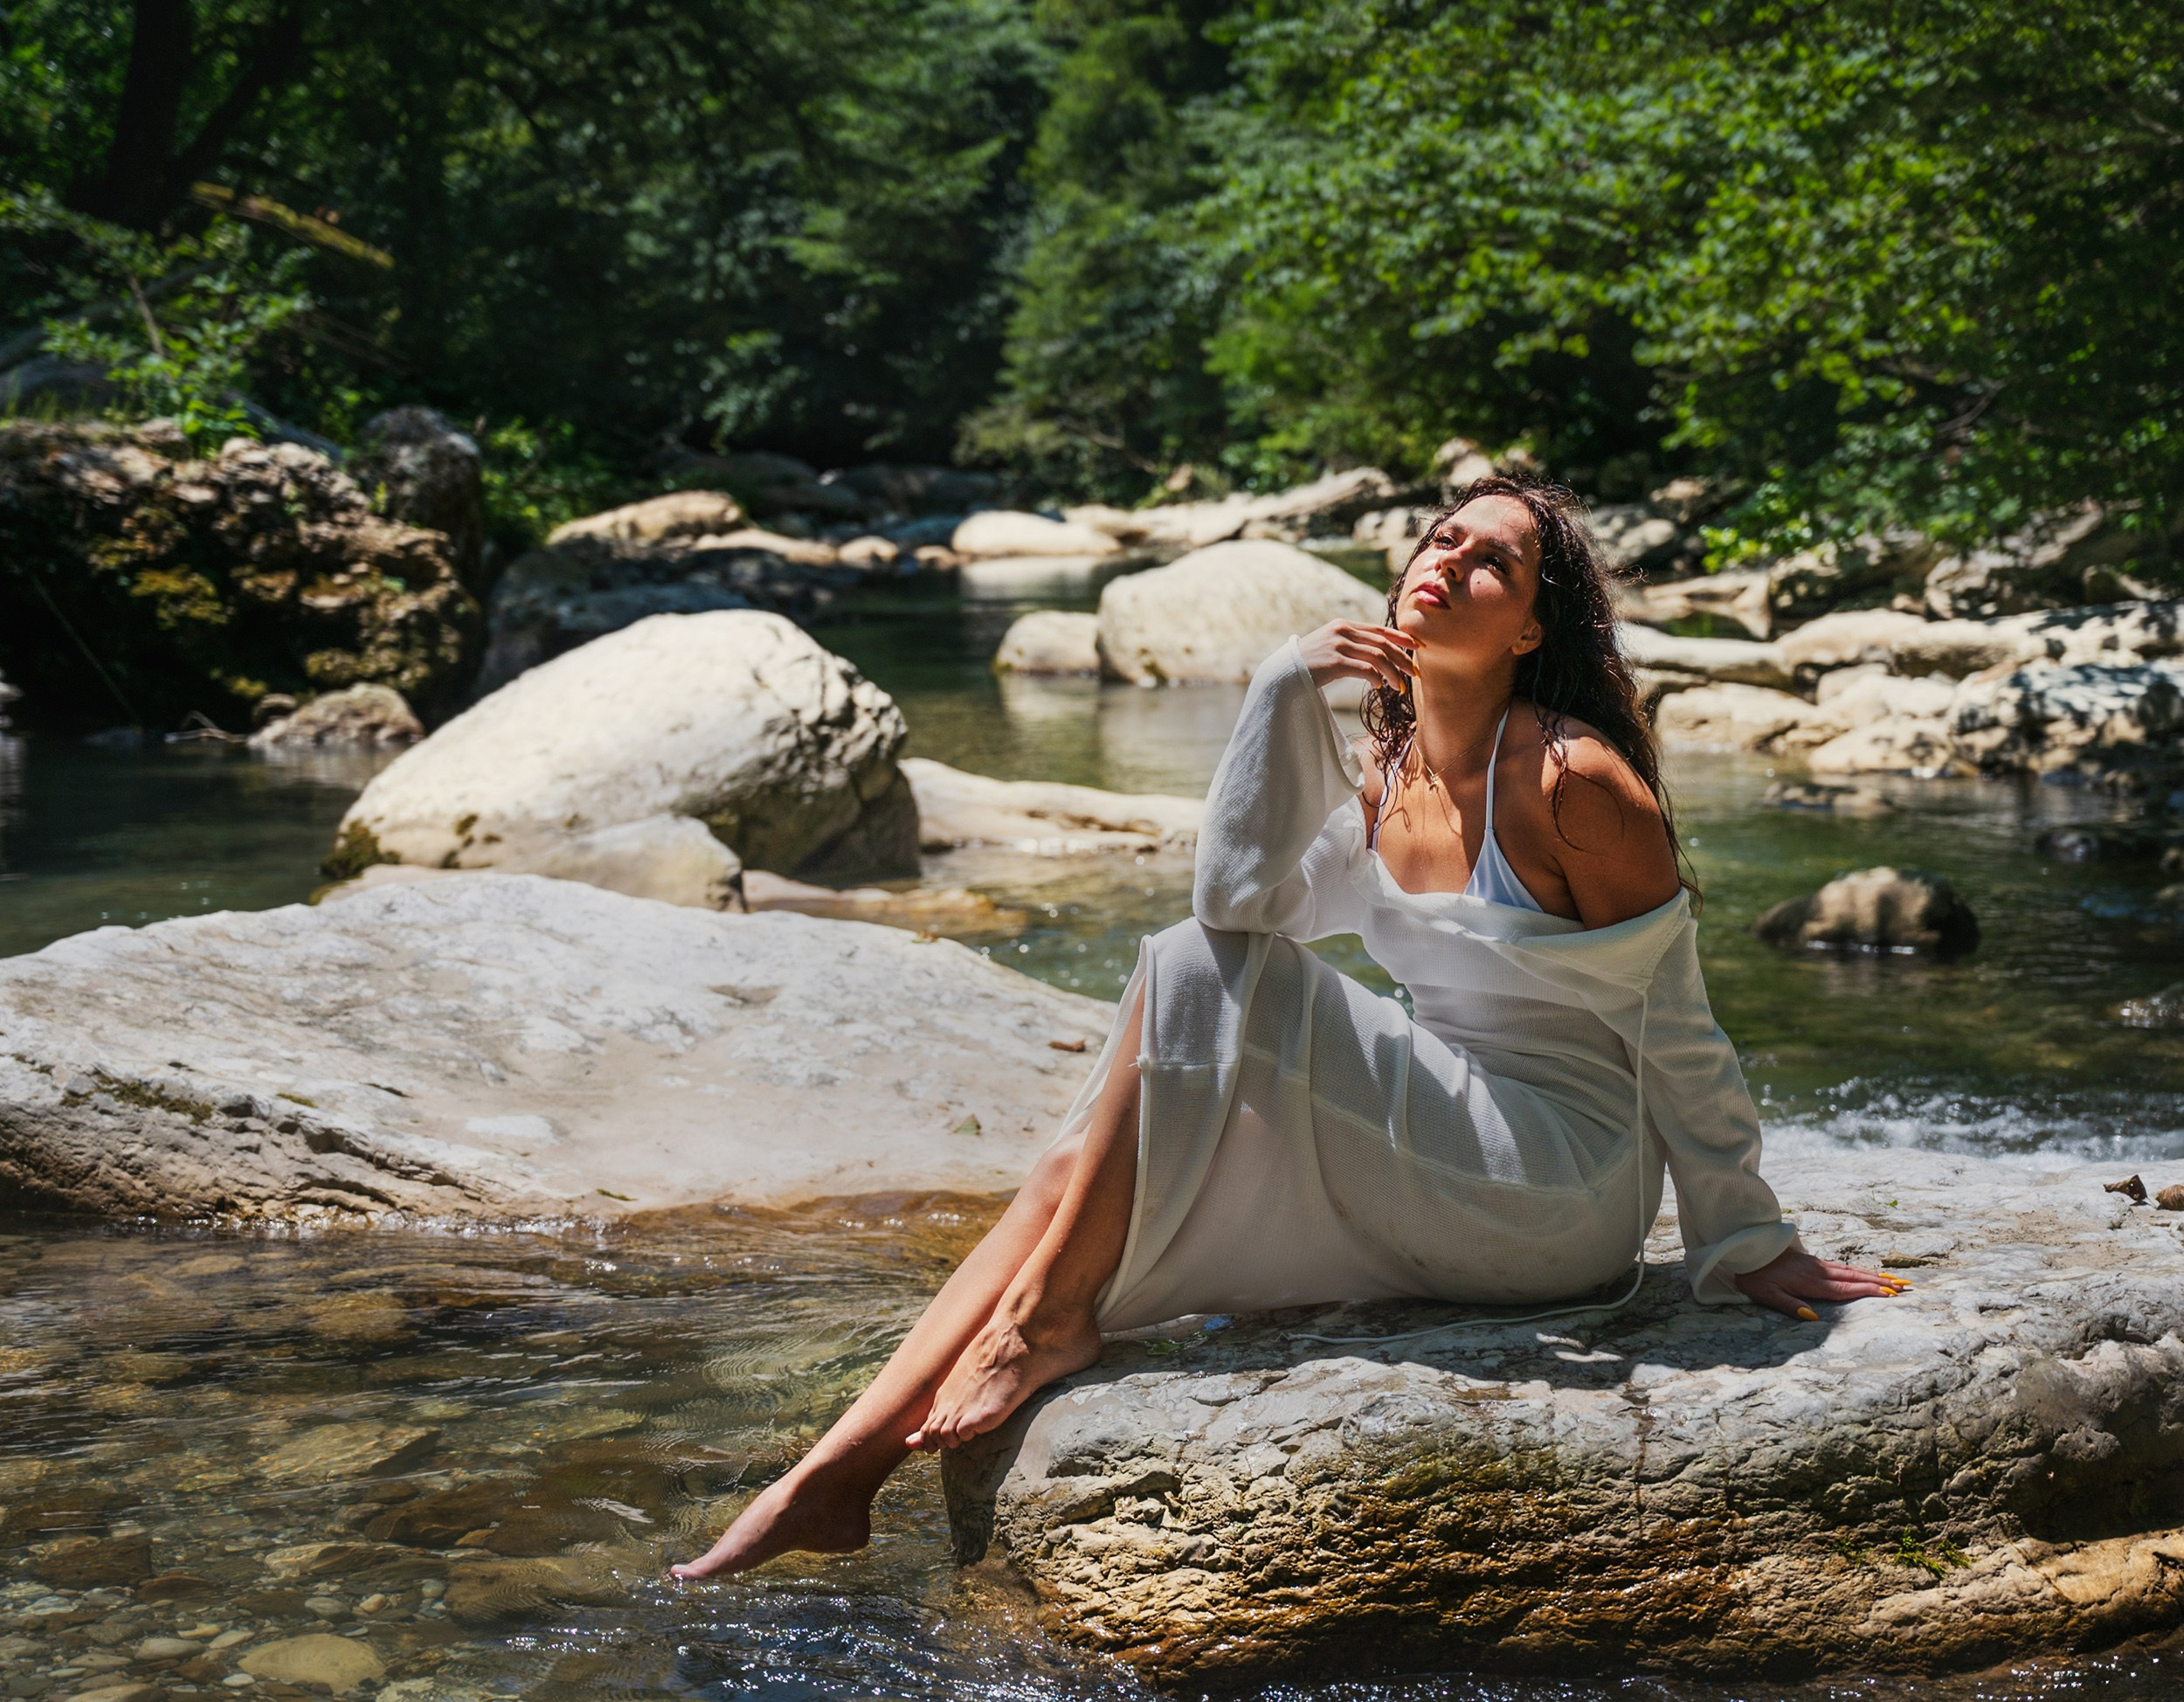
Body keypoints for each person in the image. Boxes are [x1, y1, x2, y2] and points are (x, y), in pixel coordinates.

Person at [671, 475, 1904, 1580]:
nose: (1447, 562)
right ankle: (835, 1475)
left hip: (1564, 1186)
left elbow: (1678, 1026)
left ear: (1529, 628)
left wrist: (1745, 1235)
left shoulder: (1570, 779)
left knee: (1197, 981)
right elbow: (1239, 900)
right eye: (1439, 537)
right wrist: (1276, 689)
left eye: (1493, 563)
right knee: (1071, 1162)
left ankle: (1041, 1325)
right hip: (1443, 1149)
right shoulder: (1381, 773)